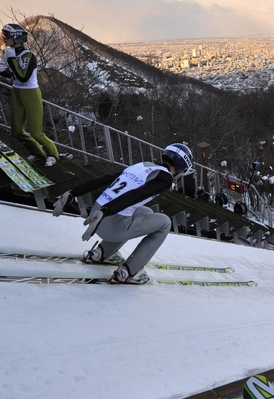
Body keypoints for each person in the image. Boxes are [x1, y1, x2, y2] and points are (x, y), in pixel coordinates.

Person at [52, 143, 194, 284]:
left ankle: (103, 253)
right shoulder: (166, 178)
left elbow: (106, 178)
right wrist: (106, 211)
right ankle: (130, 271)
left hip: (96, 217)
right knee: (164, 223)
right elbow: (137, 194)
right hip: (108, 221)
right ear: (181, 167)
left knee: (146, 211)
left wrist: (73, 192)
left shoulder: (144, 165)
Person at [0, 23, 59, 166]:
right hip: (17, 91)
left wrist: (10, 60)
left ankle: (53, 154)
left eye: (6, 35)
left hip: (30, 92)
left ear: (16, 38)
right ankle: (38, 152)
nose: (3, 38)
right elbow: (11, 74)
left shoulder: (28, 56)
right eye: (3, 34)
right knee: (17, 130)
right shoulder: (11, 54)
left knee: (36, 131)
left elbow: (23, 76)